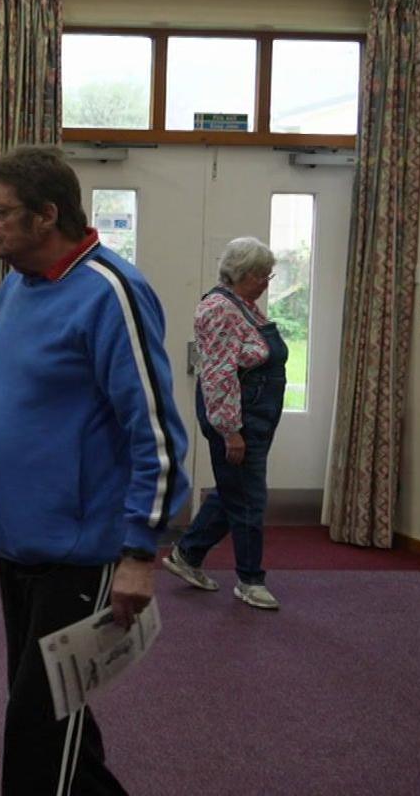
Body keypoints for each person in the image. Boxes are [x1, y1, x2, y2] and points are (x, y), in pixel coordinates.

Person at [0, 146, 190, 795]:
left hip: (80, 554)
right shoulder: (17, 286)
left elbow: (155, 434)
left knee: (37, 732)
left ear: (46, 216)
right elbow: (12, 400)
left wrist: (140, 552)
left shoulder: (111, 293)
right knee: (57, 721)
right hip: (19, 545)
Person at [162, 237, 285, 611]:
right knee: (249, 498)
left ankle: (187, 554)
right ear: (244, 274)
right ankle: (250, 580)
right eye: (263, 275)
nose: (266, 283)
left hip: (254, 416)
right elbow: (219, 375)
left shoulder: (244, 306)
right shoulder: (220, 309)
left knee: (235, 490)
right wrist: (230, 431)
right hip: (235, 418)